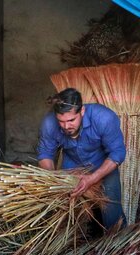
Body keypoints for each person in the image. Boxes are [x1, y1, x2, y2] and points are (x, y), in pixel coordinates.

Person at [37, 88, 127, 231]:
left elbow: (117, 153)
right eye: (61, 121)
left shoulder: (104, 118)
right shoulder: (49, 123)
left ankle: (117, 244)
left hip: (102, 166)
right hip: (72, 165)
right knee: (69, 210)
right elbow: (45, 153)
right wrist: (54, 178)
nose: (67, 126)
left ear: (82, 111)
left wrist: (92, 179)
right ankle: (79, 247)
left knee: (112, 210)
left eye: (71, 120)